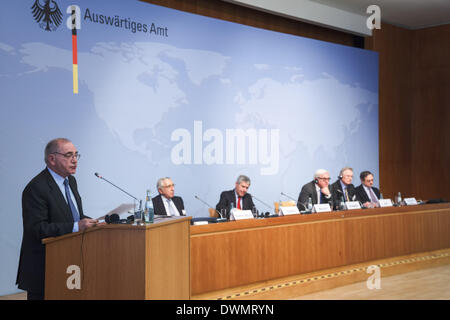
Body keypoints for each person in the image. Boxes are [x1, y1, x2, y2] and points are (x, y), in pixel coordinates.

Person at [16, 138, 98, 300]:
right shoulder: (36, 187)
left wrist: (93, 222)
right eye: (68, 155)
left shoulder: (71, 181)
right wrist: (76, 226)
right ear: (52, 159)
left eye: (76, 155)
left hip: (70, 267)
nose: (74, 160)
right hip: (44, 269)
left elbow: (73, 216)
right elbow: (37, 229)